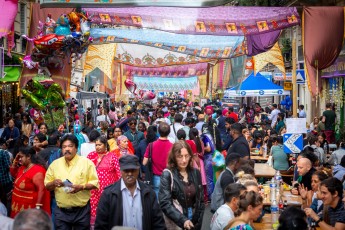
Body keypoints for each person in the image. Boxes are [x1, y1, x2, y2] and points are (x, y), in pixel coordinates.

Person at [95, 154, 166, 230]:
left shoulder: (149, 193)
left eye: (133, 170)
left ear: (138, 170)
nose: (130, 174)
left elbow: (158, 223)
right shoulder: (108, 194)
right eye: (126, 170)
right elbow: (101, 224)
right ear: (120, 170)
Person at [44, 134, 99, 229]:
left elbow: (95, 183)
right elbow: (47, 185)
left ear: (76, 148)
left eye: (70, 146)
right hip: (61, 211)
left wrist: (81, 187)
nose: (67, 149)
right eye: (64, 147)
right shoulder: (54, 165)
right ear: (61, 149)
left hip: (82, 211)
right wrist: (53, 183)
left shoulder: (87, 163)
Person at [159, 141, 205, 230]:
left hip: (194, 218)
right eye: (180, 157)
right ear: (174, 158)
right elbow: (165, 203)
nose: (184, 160)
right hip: (176, 220)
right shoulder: (167, 174)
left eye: (186, 156)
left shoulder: (196, 173)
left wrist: (198, 222)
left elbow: (201, 201)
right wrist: (183, 220)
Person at [87, 136, 121, 227]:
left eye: (100, 145)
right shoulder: (91, 156)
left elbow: (119, 173)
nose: (97, 147)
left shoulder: (112, 156)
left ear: (105, 145)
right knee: (94, 210)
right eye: (96, 145)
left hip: (108, 190)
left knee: (107, 208)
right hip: (93, 190)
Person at [10, 146, 50, 217]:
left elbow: (42, 190)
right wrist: (15, 160)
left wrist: (38, 208)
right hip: (17, 207)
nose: (19, 159)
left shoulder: (37, 171)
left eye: (21, 157)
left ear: (28, 156)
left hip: (29, 209)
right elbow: (13, 173)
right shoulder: (23, 167)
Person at [143, 122, 173, 197]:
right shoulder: (172, 146)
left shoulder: (151, 145)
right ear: (169, 132)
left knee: (157, 197)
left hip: (156, 177)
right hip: (169, 176)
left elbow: (144, 162)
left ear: (158, 132)